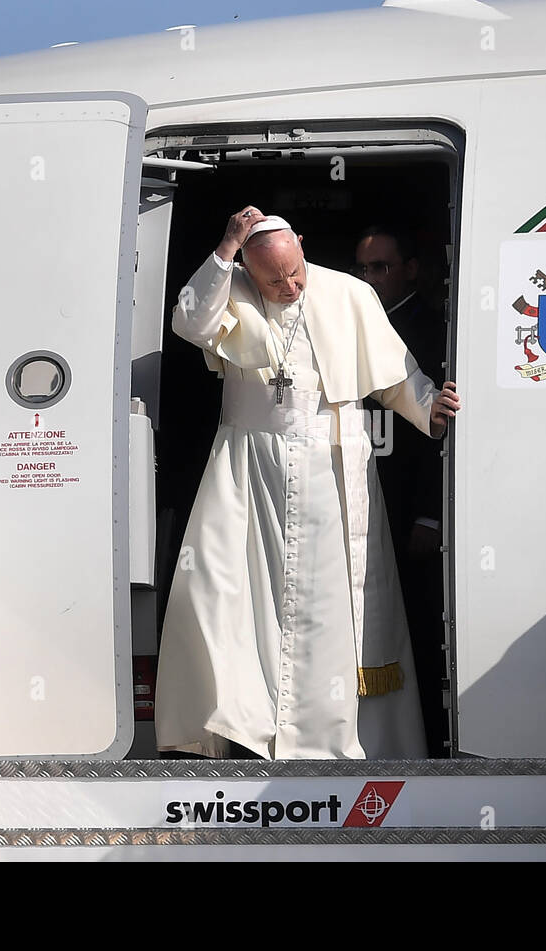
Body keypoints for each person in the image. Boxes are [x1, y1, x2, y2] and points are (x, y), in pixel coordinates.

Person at [155, 206, 462, 760]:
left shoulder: (348, 294)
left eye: (294, 272)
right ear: (247, 267)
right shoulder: (233, 288)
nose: (289, 286)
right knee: (228, 598)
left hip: (333, 465)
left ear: (302, 245)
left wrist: (428, 409)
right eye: (273, 279)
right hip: (250, 469)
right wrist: (226, 247)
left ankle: (334, 741)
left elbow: (393, 377)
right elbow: (190, 322)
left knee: (331, 611)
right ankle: (252, 729)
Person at [353, 225, 449, 754]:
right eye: (362, 269)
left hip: (411, 513)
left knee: (416, 634)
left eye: (381, 267)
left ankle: (428, 748)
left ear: (411, 268)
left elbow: (445, 429)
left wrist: (431, 515)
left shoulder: (433, 331)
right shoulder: (352, 326)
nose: (368, 279)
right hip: (364, 506)